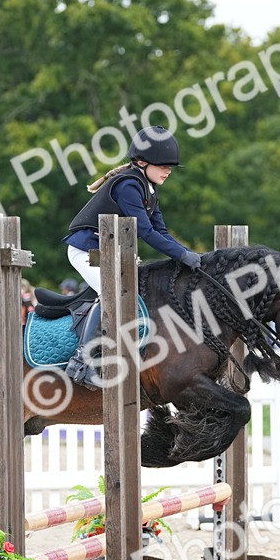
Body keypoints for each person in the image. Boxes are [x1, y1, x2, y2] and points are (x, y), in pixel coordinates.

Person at [62, 125, 201, 388]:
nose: (168, 171)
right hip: (85, 252)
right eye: (163, 166)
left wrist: (191, 255)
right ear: (141, 162)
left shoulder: (148, 188)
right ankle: (83, 360)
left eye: (170, 167)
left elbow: (162, 231)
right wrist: (182, 255)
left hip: (108, 254)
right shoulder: (128, 186)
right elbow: (146, 232)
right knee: (114, 293)